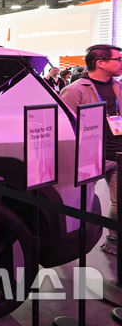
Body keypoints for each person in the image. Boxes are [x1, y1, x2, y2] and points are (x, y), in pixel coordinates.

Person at [60, 44, 122, 255]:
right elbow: (64, 126)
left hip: (117, 153)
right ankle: (74, 244)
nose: (121, 63)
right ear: (100, 63)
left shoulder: (118, 87)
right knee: (83, 204)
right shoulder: (75, 90)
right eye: (118, 59)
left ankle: (114, 241)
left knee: (119, 203)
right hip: (89, 158)